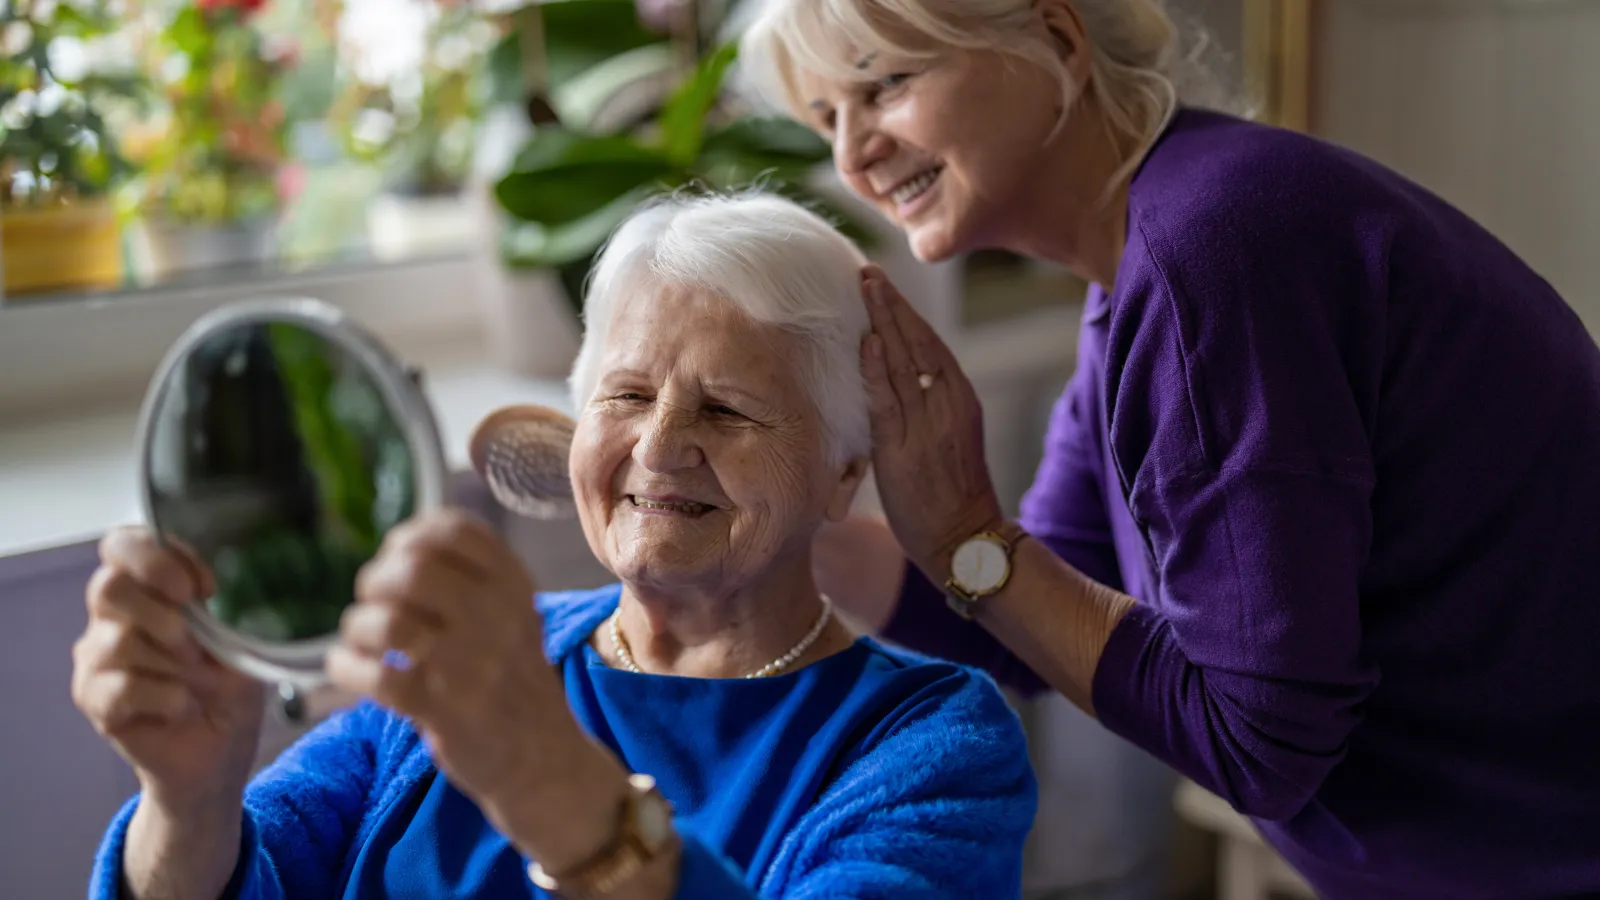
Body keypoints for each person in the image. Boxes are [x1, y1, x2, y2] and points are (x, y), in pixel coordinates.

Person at [740, 1, 1600, 898]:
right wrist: (780, 521)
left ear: (1059, 41)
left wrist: (961, 533)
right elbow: (1038, 607)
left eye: (885, 83)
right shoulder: (1148, 257)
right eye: (827, 117)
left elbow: (1258, 744)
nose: (854, 155)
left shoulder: (1212, 253)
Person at [72, 192, 1038, 900]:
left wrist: (551, 786)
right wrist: (187, 804)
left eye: (729, 409)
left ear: (841, 472)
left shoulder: (929, 745)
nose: (658, 448)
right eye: (626, 396)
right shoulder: (475, 656)